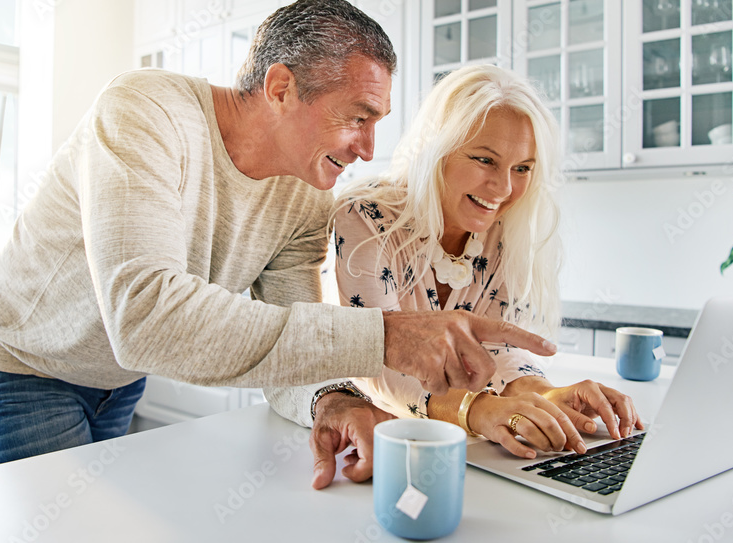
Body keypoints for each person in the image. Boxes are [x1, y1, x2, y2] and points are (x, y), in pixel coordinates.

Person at [0, 1, 557, 465]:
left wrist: (334, 401)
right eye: (357, 117)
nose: (370, 148)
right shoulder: (145, 111)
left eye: (378, 124)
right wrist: (384, 336)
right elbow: (143, 318)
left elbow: (290, 353)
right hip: (27, 361)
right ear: (280, 88)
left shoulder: (307, 195)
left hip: (117, 378)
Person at [265, 64, 642, 490]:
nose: (502, 187)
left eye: (523, 168)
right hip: (374, 446)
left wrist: (540, 393)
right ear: (437, 150)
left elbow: (497, 346)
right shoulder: (366, 217)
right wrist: (479, 410)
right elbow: (375, 360)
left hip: (460, 458)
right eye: (485, 159)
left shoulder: (502, 230)